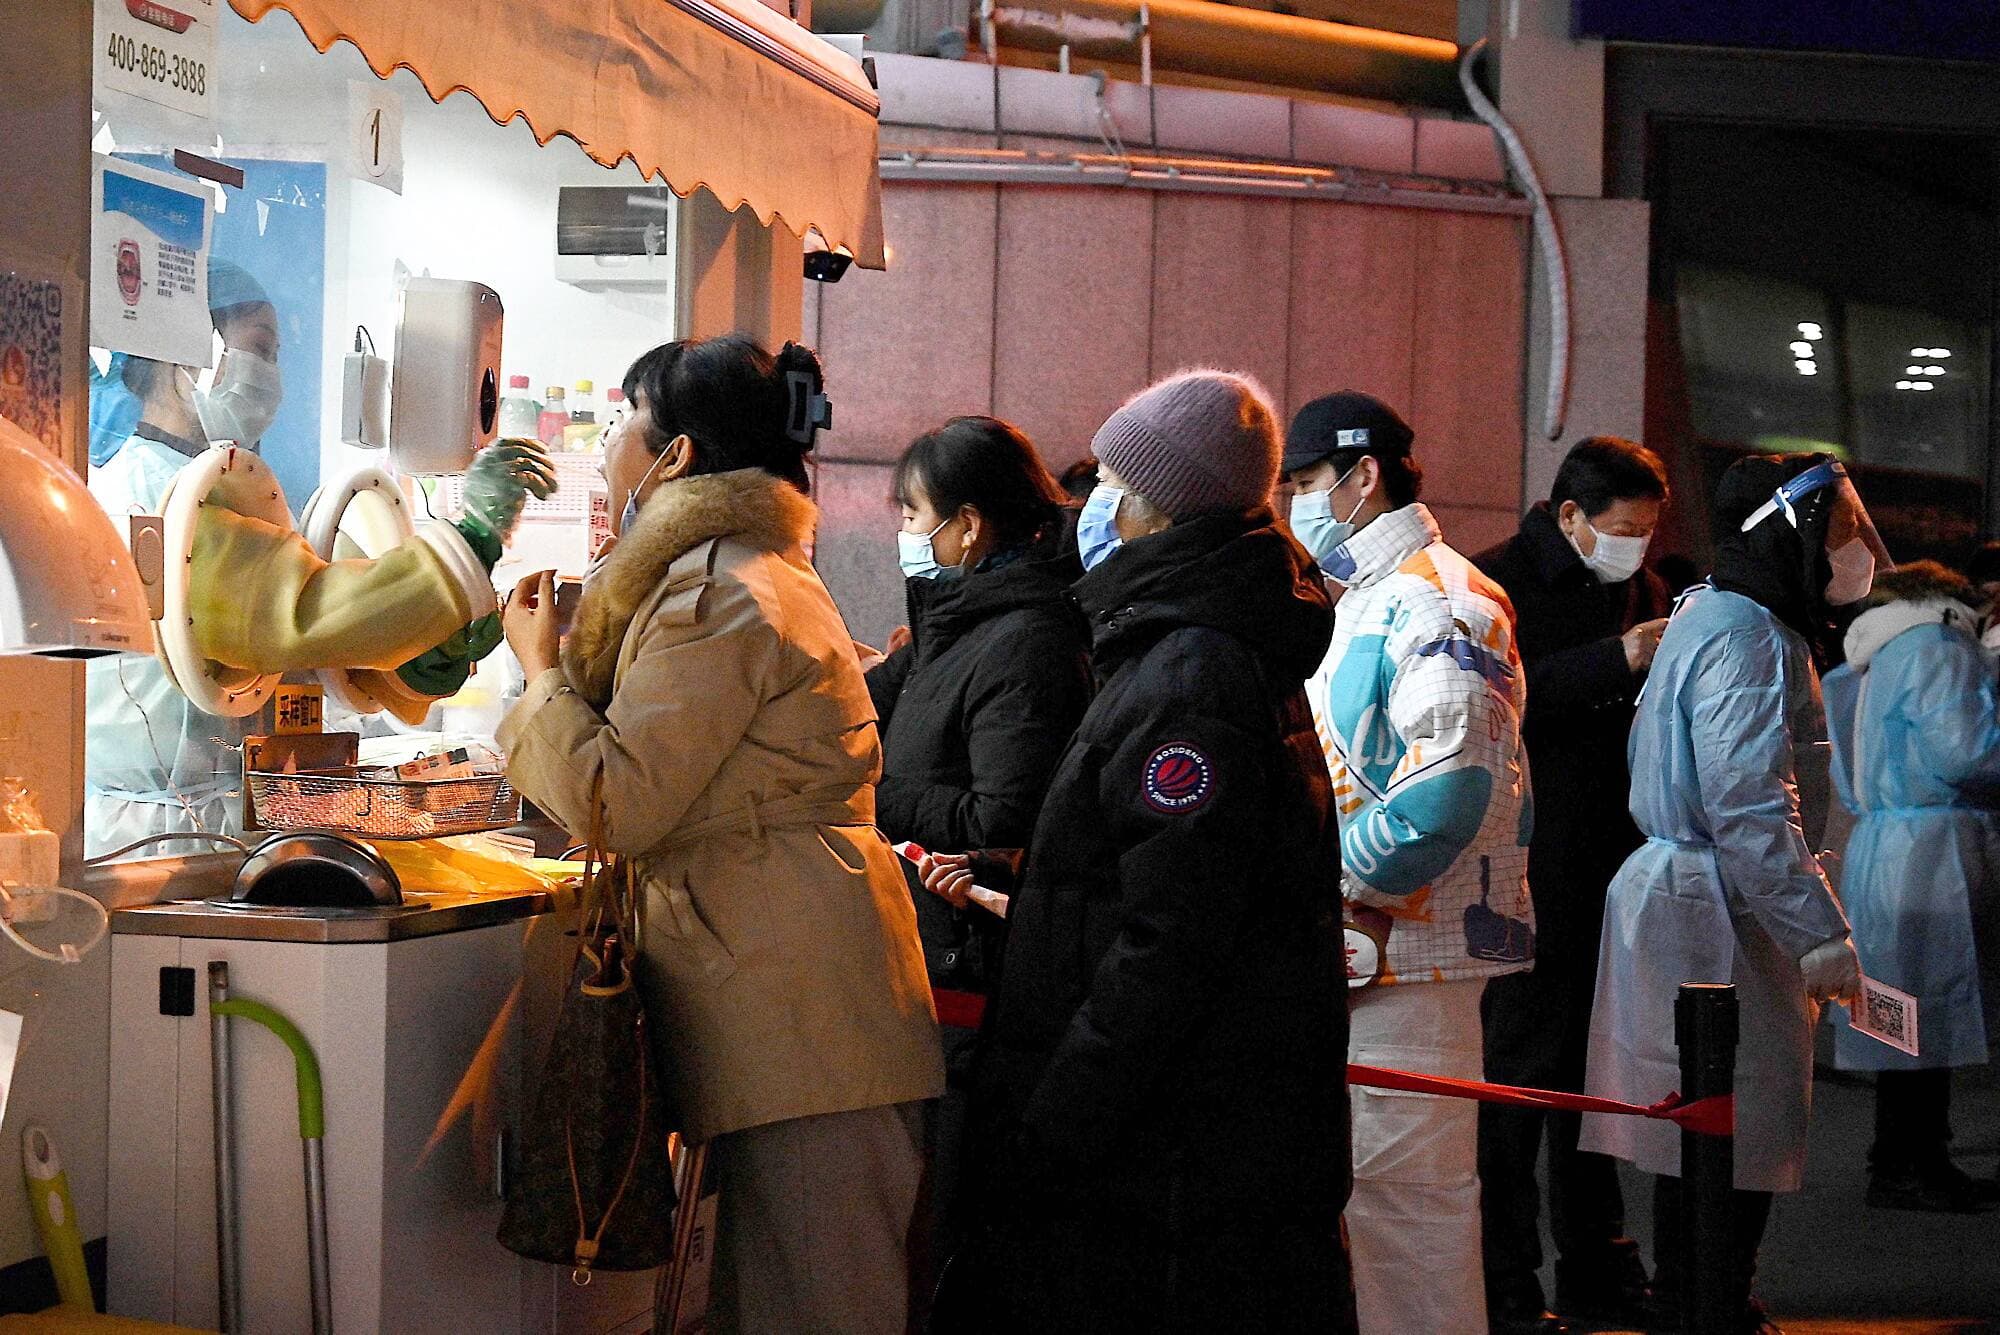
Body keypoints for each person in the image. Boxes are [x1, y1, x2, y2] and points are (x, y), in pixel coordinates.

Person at [497, 334, 944, 1335]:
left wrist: (538, 677)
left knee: (817, 1304)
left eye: (624, 418)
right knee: (789, 1297)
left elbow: (619, 797)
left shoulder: (716, 590)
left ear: (679, 457)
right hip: (801, 1001)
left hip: (799, 1014)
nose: (610, 440)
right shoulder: (754, 569)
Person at [932, 370, 1353, 1331]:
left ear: (1158, 507)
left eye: (1115, 482)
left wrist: (1053, 1123)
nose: (1093, 508)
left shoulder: (1192, 673)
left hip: (1167, 1172)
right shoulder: (1186, 645)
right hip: (1182, 1156)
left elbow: (1170, 942)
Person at [1581, 453, 1888, 1334]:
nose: (1853, 548)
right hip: (1721, 903)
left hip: (1704, 891)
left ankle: (1698, 1299)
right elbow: (1749, 800)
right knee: (1727, 1127)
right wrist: (1814, 930)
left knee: (1699, 1134)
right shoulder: (1749, 630)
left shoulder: (1718, 612)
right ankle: (1708, 1306)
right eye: (1834, 528)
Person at [84, 258, 525, 857]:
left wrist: (413, 653)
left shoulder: (201, 485)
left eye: (274, 355)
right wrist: (463, 547)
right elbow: (296, 615)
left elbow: (292, 643)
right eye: (257, 350)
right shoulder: (158, 499)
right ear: (183, 359)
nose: (270, 376)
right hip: (161, 839)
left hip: (209, 822)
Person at [1284, 389, 1534, 1335]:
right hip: (1378, 952)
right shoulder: (1377, 597)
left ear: (1362, 475)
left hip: (1410, 954)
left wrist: (1333, 883)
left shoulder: (1437, 596)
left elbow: (1450, 788)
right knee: (1384, 1217)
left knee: (1409, 1221)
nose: (1297, 504)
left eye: (1308, 482)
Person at [865, 416, 1092, 1288]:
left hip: (970, 972)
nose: (904, 534)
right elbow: (856, 708)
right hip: (921, 960)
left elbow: (1007, 810)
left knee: (948, 1232)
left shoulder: (1027, 636)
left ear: (967, 525)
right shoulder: (953, 624)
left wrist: (874, 798)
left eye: (914, 513)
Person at [1471, 436, 1673, 1333]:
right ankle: (1504, 1277)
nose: (1636, 547)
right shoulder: (1494, 583)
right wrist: (1617, 660)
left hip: (1617, 862)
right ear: (1569, 516)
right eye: (1623, 530)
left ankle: (1599, 1260)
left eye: (1648, 531)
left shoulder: (1644, 586)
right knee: (1518, 1080)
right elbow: (1492, 701)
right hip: (1527, 865)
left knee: (1601, 1077)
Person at [1822, 561, 2000, 1213]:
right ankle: (1911, 1163)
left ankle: (1906, 1157)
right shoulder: (1940, 648)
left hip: (1883, 844)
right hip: (1932, 852)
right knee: (1930, 1012)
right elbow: (1966, 751)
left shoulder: (1872, 657)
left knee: (1900, 1017)